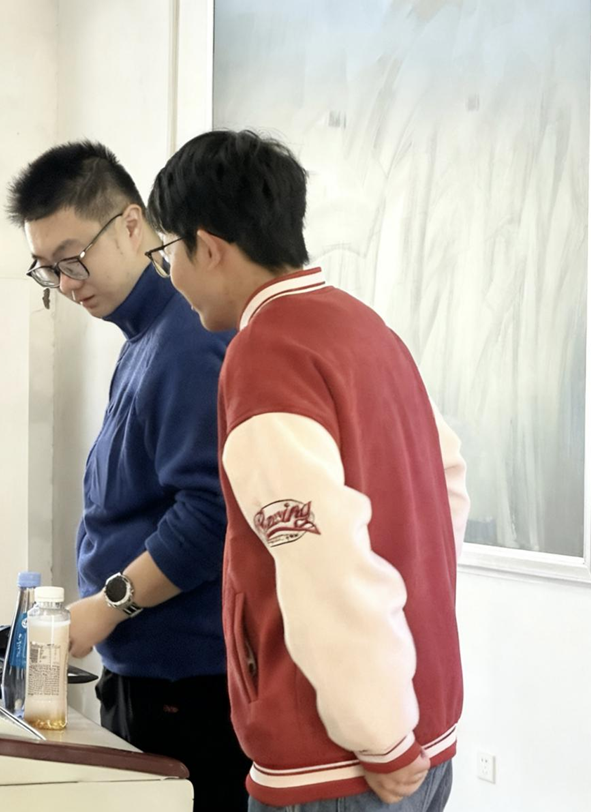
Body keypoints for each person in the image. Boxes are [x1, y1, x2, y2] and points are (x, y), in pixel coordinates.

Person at [146, 130, 470, 812]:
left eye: (166, 251)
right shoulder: (367, 329)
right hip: (427, 731)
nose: (168, 274)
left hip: (340, 762)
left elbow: (322, 560)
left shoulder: (267, 354)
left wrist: (379, 733)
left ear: (209, 246)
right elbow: (446, 483)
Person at [6, 141, 250, 810]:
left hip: (188, 686)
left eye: (73, 258)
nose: (66, 283)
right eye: (47, 269)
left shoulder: (187, 339)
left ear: (133, 225)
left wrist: (107, 605)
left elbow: (210, 515)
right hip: (148, 672)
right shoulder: (144, 336)